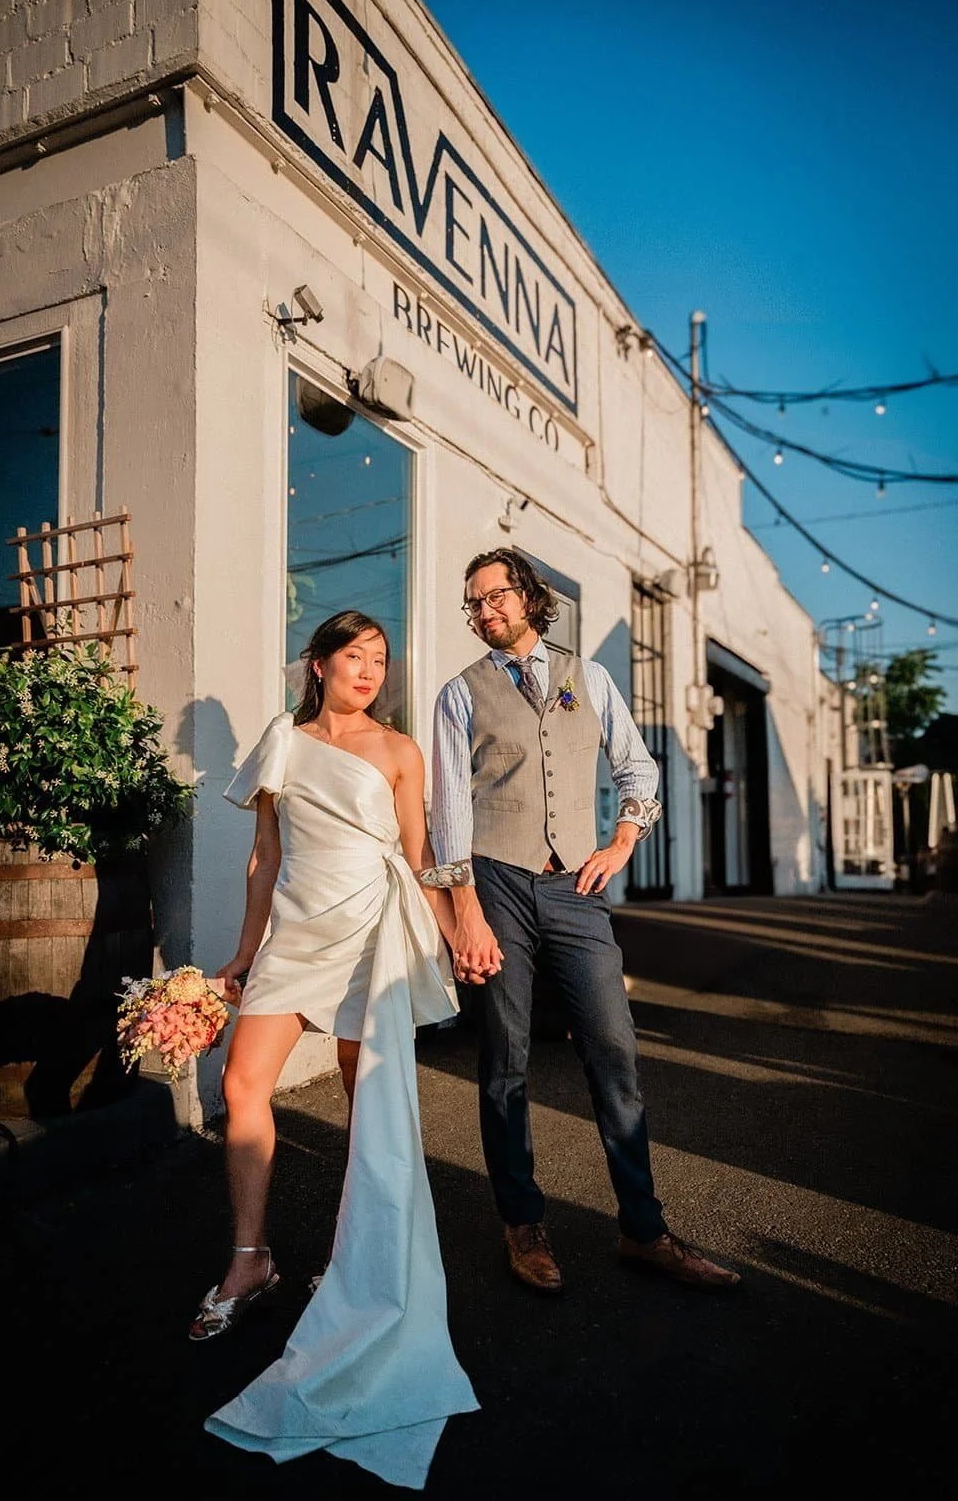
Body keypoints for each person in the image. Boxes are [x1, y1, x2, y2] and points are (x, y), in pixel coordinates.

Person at [196, 610, 478, 1490]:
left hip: (367, 933)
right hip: (295, 935)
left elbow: (421, 852)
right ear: (316, 666)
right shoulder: (283, 741)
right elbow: (264, 856)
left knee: (368, 1109)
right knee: (243, 1085)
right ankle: (250, 1261)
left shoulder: (398, 749)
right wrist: (244, 954)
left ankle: (354, 1264)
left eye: (380, 659)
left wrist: (455, 931)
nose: (370, 671)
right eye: (354, 657)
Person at [430, 548, 740, 1295]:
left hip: (573, 884)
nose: (483, 611)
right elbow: (448, 811)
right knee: (504, 1058)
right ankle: (522, 1224)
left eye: (494, 596)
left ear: (529, 597)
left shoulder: (590, 678)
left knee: (612, 1048)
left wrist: (623, 840)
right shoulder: (457, 693)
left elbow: (637, 769)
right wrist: (463, 913)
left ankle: (644, 1229)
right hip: (494, 880)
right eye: (472, 603)